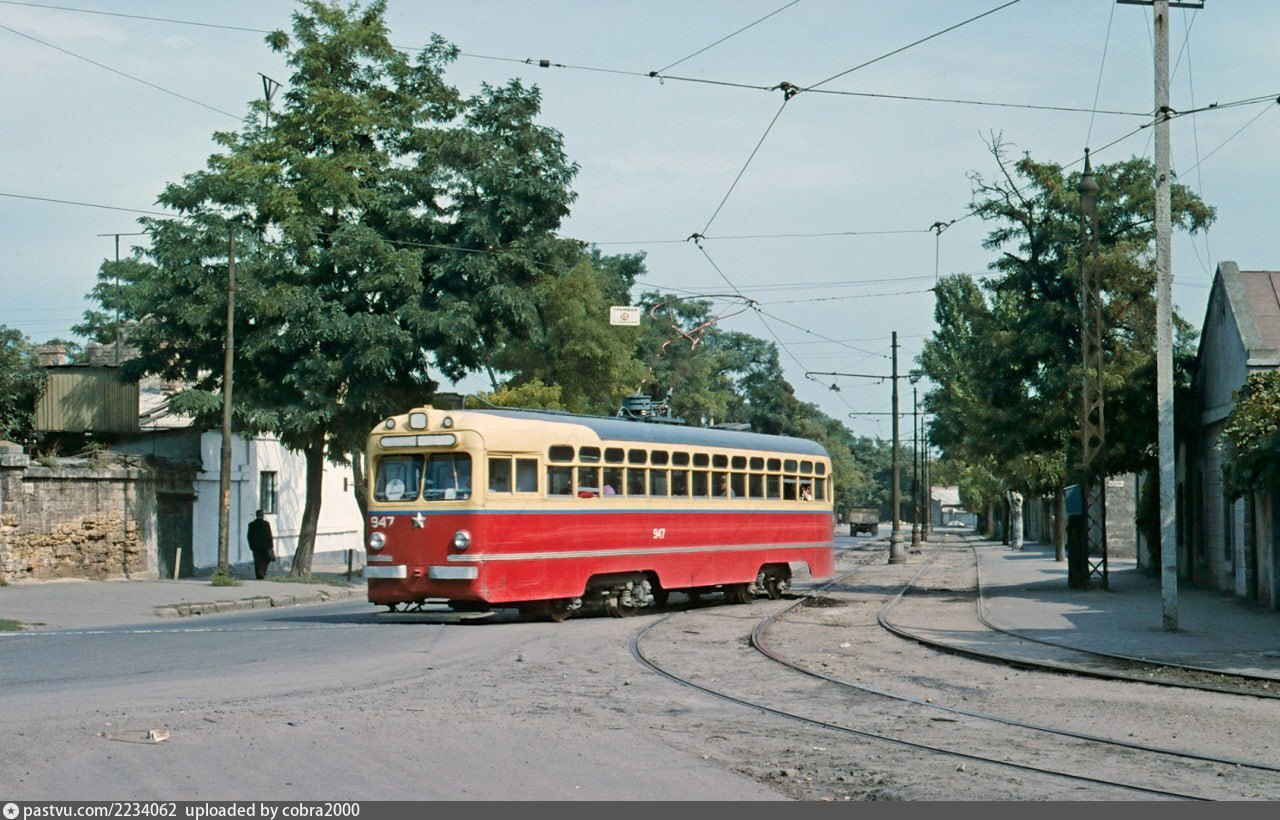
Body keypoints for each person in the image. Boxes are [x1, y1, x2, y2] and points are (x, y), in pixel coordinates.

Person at [247, 509, 275, 580]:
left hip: (255, 547)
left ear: (256, 515)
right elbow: (269, 535)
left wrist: (251, 545)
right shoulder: (266, 524)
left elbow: (249, 536)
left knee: (257, 561)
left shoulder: (251, 524)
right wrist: (271, 546)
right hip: (265, 546)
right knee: (266, 560)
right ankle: (262, 571)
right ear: (263, 515)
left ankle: (258, 575)